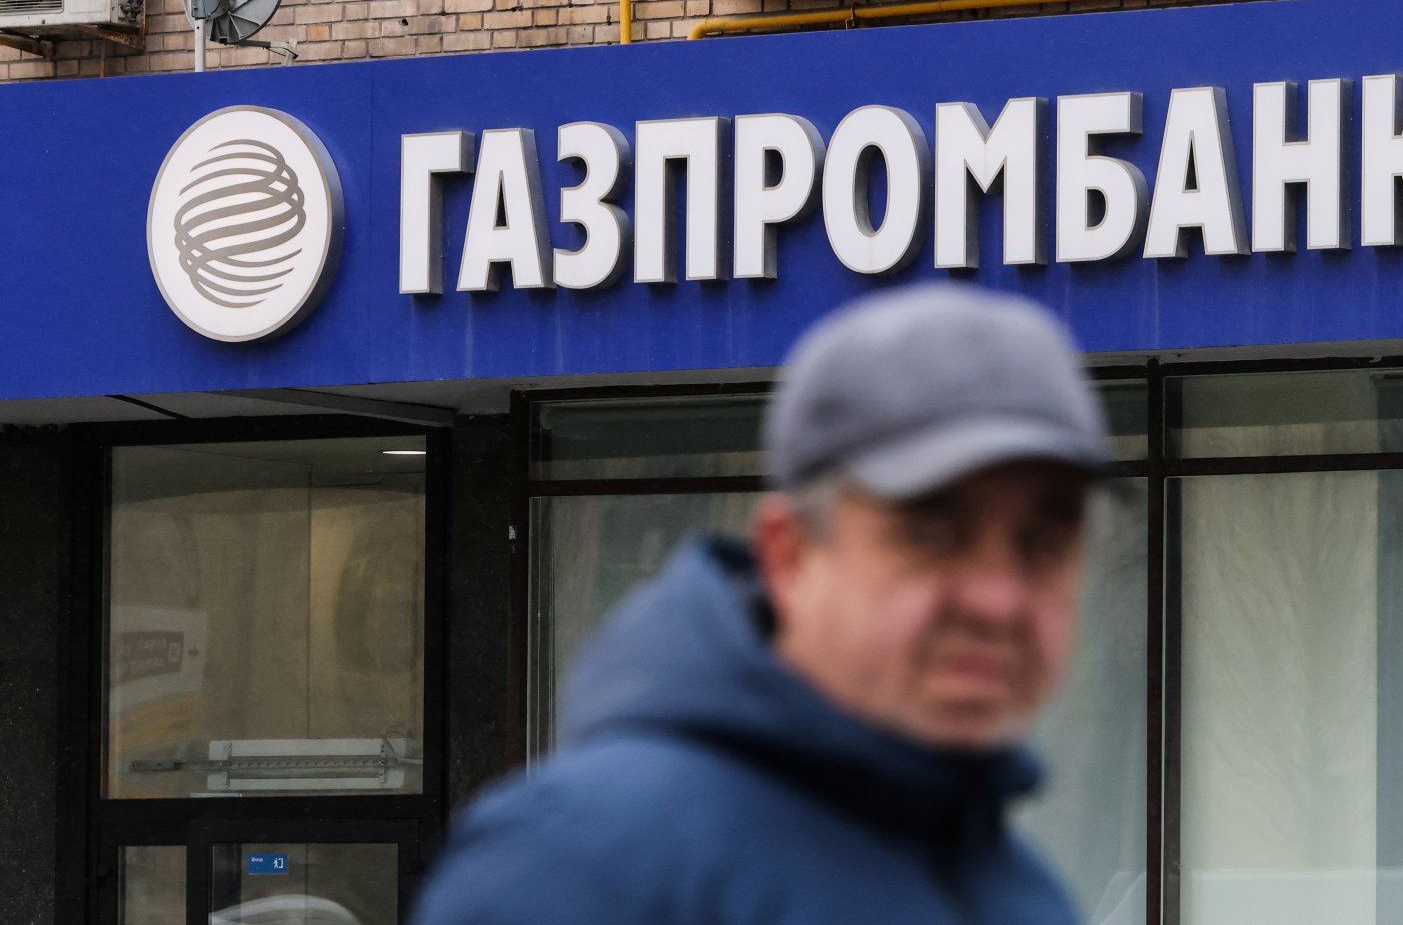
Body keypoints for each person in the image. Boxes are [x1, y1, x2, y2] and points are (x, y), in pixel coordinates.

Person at [413, 282, 1109, 925]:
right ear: (790, 555)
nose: (997, 600)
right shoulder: (580, 866)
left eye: (1043, 543)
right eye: (930, 533)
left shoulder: (1022, 893)